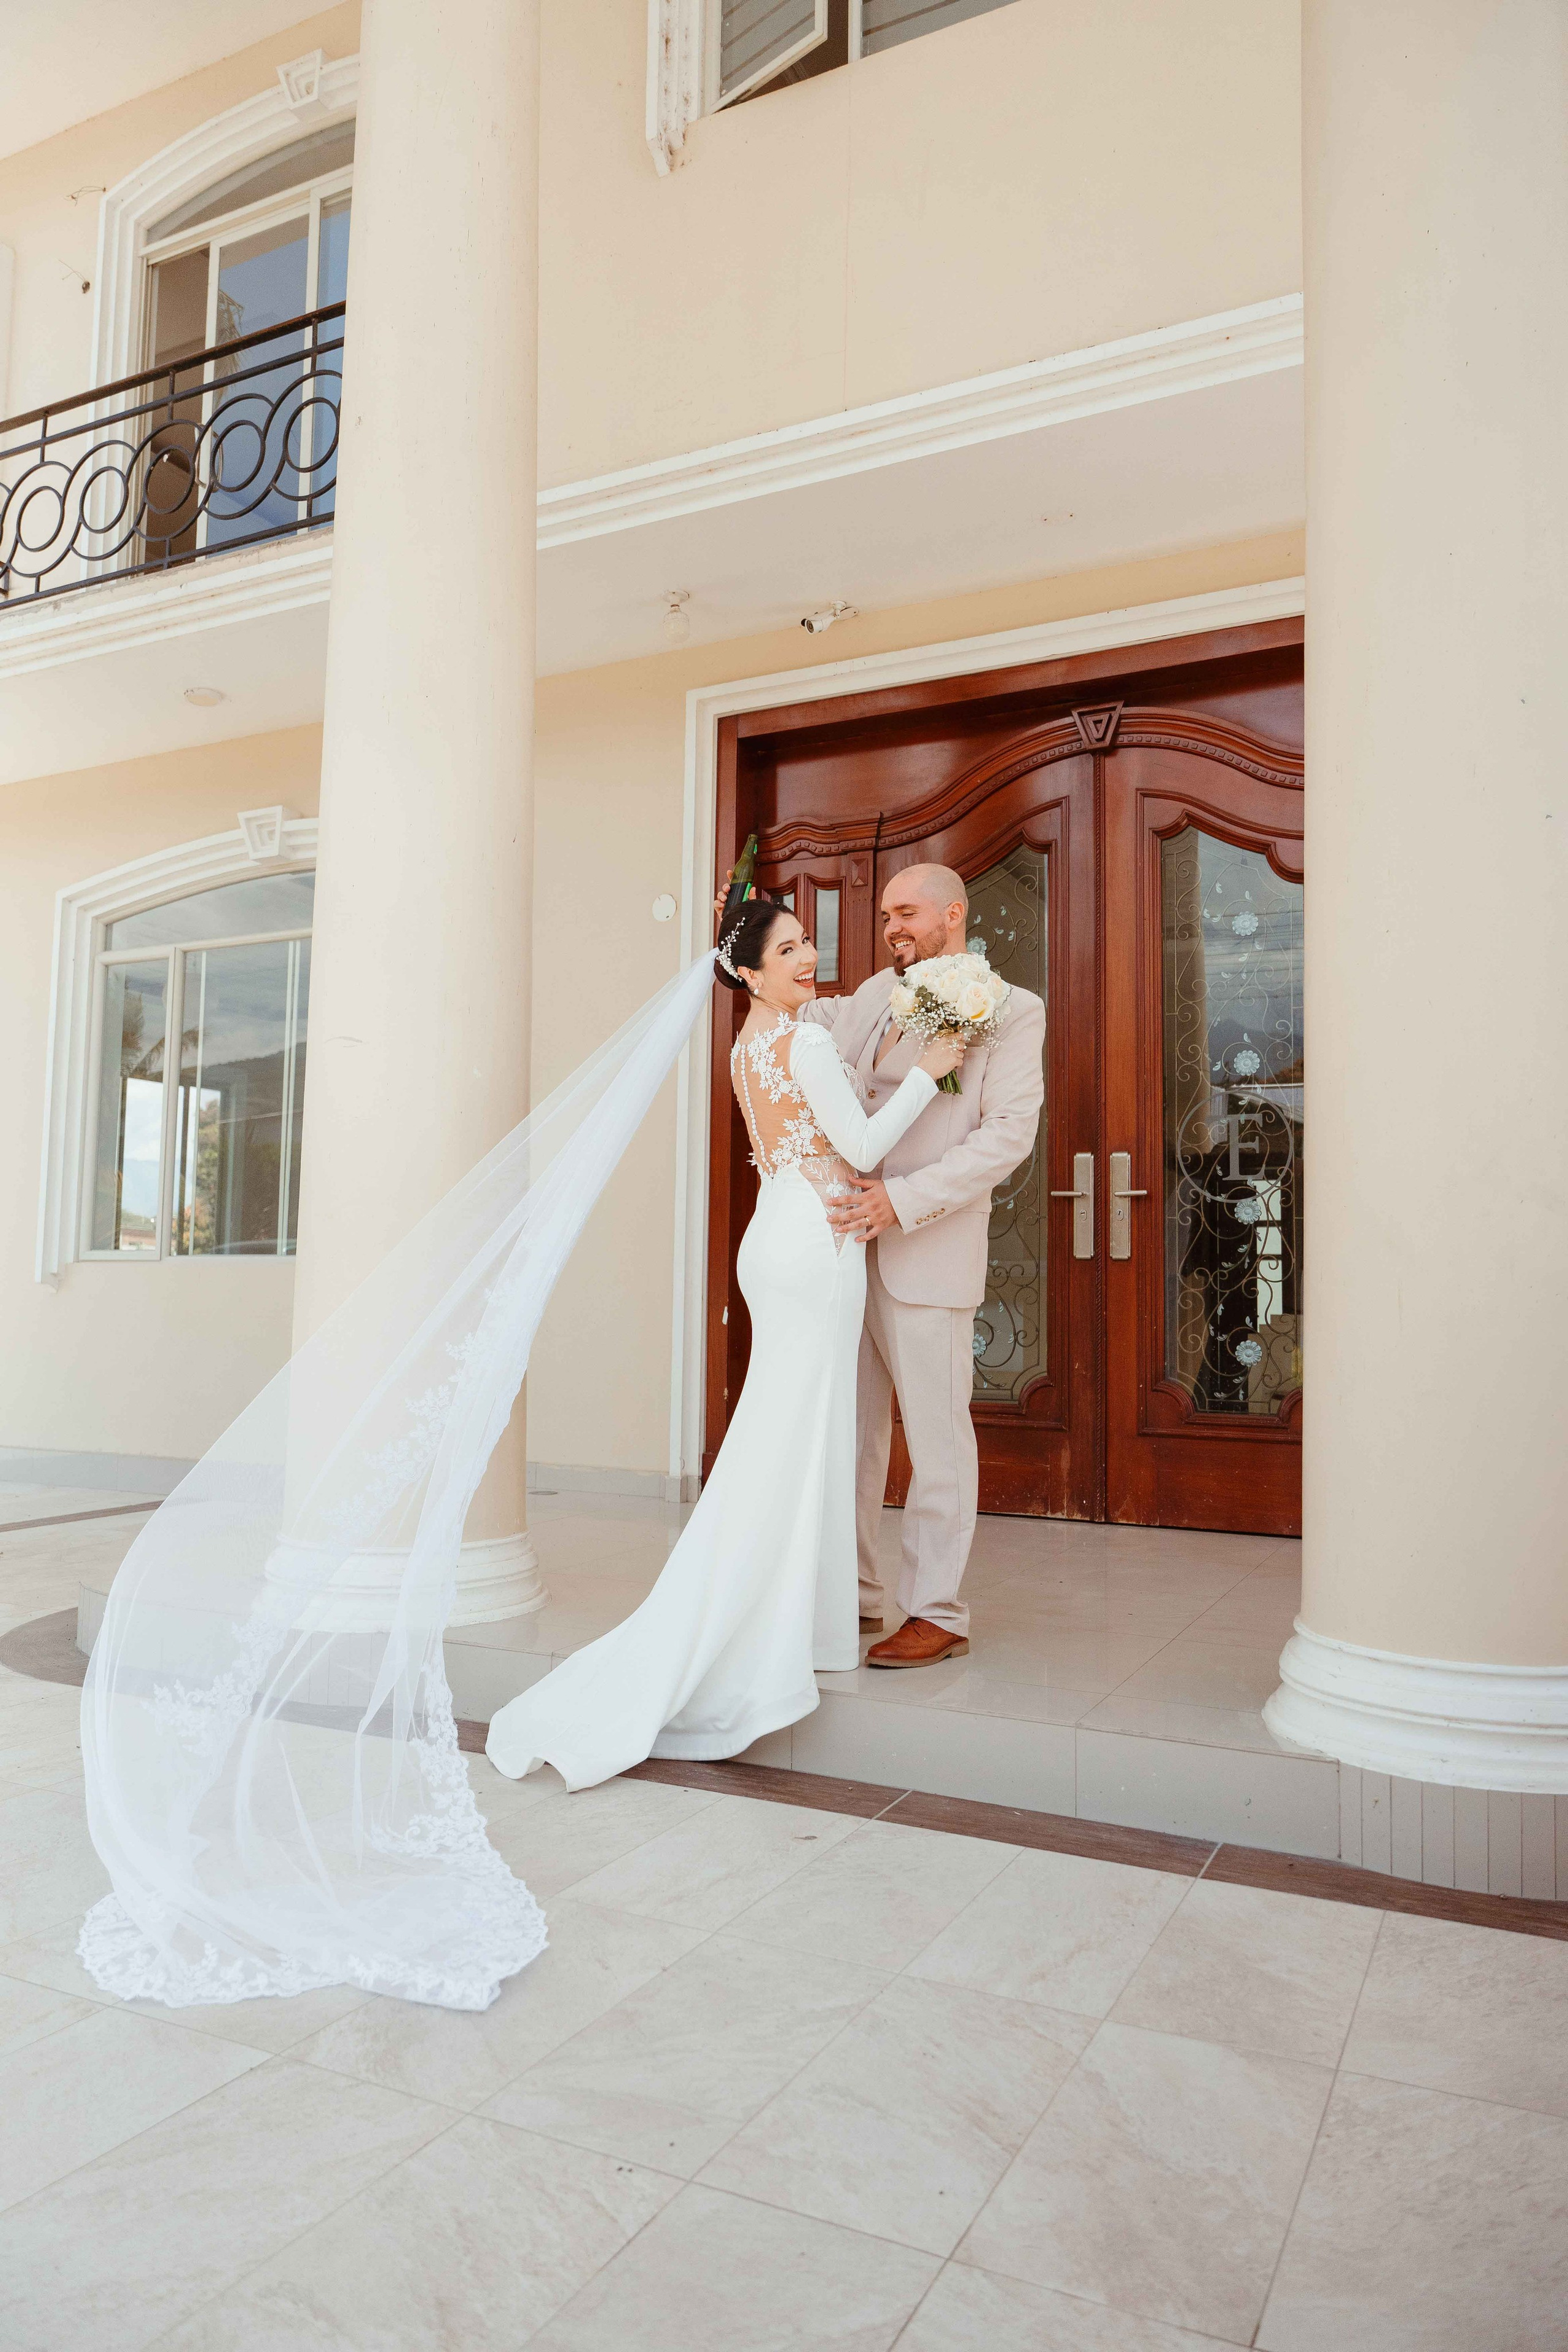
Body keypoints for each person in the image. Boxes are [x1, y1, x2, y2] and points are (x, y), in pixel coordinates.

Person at [483, 898, 963, 1788]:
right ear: (748, 971)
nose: (807, 957)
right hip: (815, 1240)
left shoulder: (748, 1044)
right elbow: (858, 1142)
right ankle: (784, 1628)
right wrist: (931, 1070)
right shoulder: (804, 1043)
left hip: (775, 1232)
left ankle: (808, 1622)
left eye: (806, 942)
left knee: (786, 1436)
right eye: (786, 949)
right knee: (801, 1439)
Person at [800, 864, 1046, 1668]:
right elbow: (814, 1039)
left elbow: (1005, 1138)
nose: (893, 927)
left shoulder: (1012, 1013)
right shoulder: (874, 994)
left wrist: (899, 1203)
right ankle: (858, 1594)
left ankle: (937, 1609)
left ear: (953, 914)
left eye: (907, 913)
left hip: (927, 1248)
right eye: (884, 916)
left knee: (937, 1440)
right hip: (846, 1252)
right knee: (855, 1435)